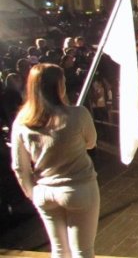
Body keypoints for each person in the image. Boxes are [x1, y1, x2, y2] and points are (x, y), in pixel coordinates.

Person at [11, 63, 100, 258]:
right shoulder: (78, 114)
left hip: (44, 192)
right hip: (79, 189)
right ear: (59, 86)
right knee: (82, 251)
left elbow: (19, 166)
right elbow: (91, 143)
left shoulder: (21, 122)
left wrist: (32, 194)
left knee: (59, 250)